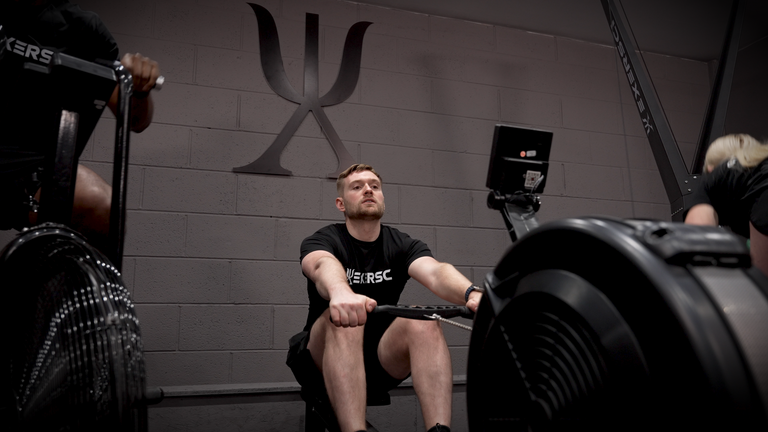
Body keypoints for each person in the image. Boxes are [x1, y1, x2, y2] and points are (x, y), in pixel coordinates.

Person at [288, 163, 483, 432]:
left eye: (374, 186)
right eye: (357, 187)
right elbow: (322, 264)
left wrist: (472, 293)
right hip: (321, 359)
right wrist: (340, 291)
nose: (368, 190)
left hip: (379, 359)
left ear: (382, 197)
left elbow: (436, 272)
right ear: (341, 204)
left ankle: (439, 431)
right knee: (345, 320)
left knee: (424, 319)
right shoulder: (323, 239)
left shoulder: (400, 243)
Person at [0, 0, 160, 251]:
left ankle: (61, 276)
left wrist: (139, 90)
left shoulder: (86, 29)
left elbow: (136, 121)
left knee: (103, 207)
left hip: (34, 173)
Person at [685, 133, 768, 274]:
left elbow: (695, 248)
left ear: (710, 170)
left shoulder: (712, 179)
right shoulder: (757, 168)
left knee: (760, 281)